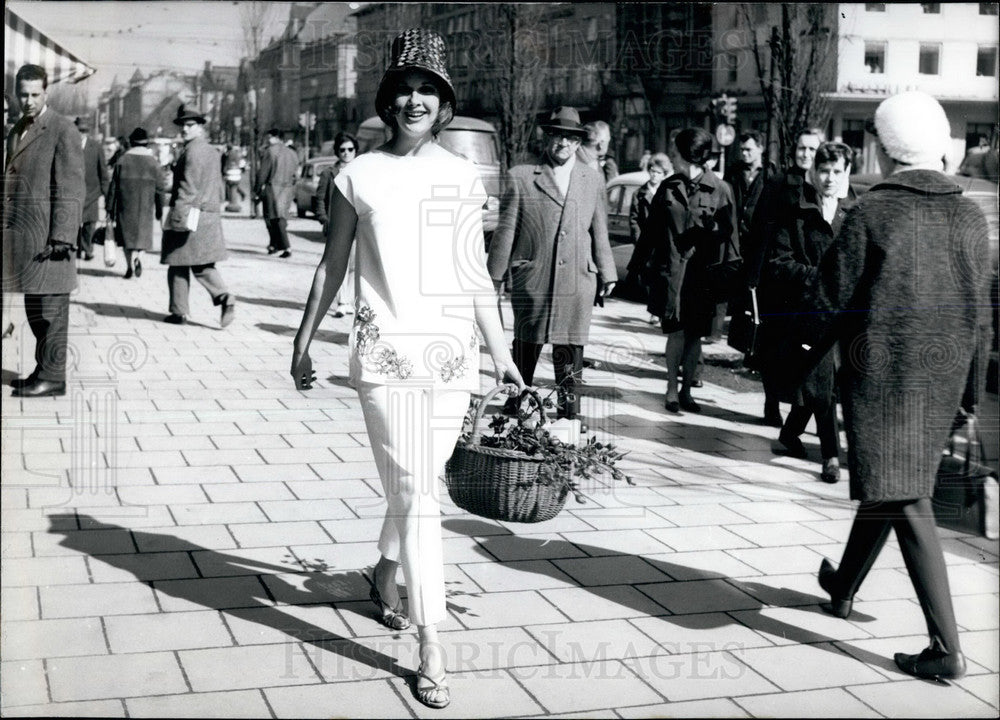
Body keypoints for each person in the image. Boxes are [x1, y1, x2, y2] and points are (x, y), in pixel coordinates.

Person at [291, 28, 524, 709]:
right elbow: (332, 264)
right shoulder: (357, 176)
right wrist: (302, 342)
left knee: (417, 485)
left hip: (452, 360)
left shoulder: (461, 177)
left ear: (444, 103)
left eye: (428, 89)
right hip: (385, 360)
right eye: (404, 89)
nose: (415, 100)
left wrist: (503, 354)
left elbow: (475, 275)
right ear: (387, 101)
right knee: (420, 496)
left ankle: (385, 571)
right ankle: (432, 644)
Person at [805, 91, 991, 681]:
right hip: (943, 379)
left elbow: (827, 301)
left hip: (884, 379)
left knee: (905, 495)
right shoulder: (969, 215)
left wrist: (803, 359)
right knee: (892, 483)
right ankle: (843, 588)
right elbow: (981, 316)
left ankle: (946, 648)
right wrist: (969, 395)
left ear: (885, 152)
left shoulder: (872, 212)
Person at [488, 106, 617, 419]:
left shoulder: (591, 178)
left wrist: (608, 272)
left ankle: (568, 412)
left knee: (570, 346)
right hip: (533, 275)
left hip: (578, 278)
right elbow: (506, 230)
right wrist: (494, 278)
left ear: (579, 142)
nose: (563, 143)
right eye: (557, 136)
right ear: (547, 138)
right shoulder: (522, 176)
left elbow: (599, 229)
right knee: (526, 342)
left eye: (571, 138)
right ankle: (516, 399)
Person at [762, 142, 855, 484]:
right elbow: (778, 262)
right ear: (814, 172)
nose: (830, 178)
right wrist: (819, 278)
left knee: (821, 381)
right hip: (807, 313)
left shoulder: (854, 214)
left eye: (837, 171)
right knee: (823, 382)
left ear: (847, 173)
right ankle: (831, 455)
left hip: (846, 314)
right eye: (824, 170)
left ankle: (789, 434)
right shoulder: (796, 211)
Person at [643, 127, 739, 414]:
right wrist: (640, 267)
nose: (672, 157)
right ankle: (671, 388)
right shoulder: (668, 186)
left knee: (695, 334)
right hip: (672, 271)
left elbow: (731, 237)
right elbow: (650, 231)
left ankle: (687, 390)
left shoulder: (721, 189)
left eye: (675, 152)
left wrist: (714, 233)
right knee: (675, 332)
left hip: (702, 275)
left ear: (687, 156)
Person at [3, 64, 84, 397]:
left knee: (51, 311)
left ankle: (53, 377)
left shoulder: (62, 129)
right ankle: (43, 369)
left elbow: (71, 186)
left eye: (35, 94)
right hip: (25, 238)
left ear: (46, 92)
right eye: (23, 94)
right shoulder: (17, 130)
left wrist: (62, 236)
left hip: (51, 240)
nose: (29, 101)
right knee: (35, 309)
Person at [740, 127, 824, 427]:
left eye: (812, 149)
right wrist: (753, 277)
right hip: (778, 276)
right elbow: (760, 231)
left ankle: (799, 410)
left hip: (811, 277)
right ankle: (772, 403)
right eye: (802, 148)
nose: (806, 154)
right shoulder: (778, 183)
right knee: (773, 346)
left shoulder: (823, 184)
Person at [160, 104, 235, 328]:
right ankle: (223, 296)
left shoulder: (192, 152)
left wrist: (177, 217)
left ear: (200, 126)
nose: (184, 129)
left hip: (190, 214)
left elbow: (188, 187)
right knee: (202, 265)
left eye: (190, 125)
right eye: (182, 125)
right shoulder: (212, 151)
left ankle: (179, 312)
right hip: (208, 215)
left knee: (177, 262)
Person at [107, 127, 165, 280]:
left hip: (125, 207)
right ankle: (139, 257)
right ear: (146, 144)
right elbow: (160, 190)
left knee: (126, 240)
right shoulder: (153, 163)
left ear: (131, 143)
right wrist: (160, 210)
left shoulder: (122, 161)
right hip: (145, 207)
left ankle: (129, 267)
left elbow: (113, 188)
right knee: (142, 238)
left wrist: (109, 208)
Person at [315, 131, 359, 318]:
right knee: (339, 263)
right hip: (337, 225)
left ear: (355, 150)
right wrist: (324, 218)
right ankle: (342, 302)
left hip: (359, 224)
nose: (346, 153)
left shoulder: (362, 171)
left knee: (355, 265)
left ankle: (349, 301)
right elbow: (319, 198)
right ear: (337, 152)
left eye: (350, 149)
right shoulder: (329, 173)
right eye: (342, 150)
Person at [625, 152, 671, 311]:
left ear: (664, 174)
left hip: (662, 242)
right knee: (647, 276)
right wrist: (639, 240)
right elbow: (634, 219)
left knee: (661, 276)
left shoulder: (667, 192)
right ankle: (653, 308)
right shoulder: (639, 193)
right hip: (645, 242)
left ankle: (656, 310)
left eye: (659, 172)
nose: (654, 175)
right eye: (652, 171)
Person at [255, 128, 299, 258]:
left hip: (273, 188)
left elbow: (263, 173)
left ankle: (285, 246)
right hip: (288, 188)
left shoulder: (270, 151)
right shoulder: (292, 153)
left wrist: (257, 189)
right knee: (281, 216)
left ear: (275, 137)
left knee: (272, 218)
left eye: (269, 137)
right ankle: (273, 245)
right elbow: (296, 174)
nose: (268, 140)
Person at [75, 116, 109, 262]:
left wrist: (106, 194)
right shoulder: (68, 145)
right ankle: (77, 248)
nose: (81, 133)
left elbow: (103, 172)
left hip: (92, 192)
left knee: (90, 223)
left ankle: (88, 249)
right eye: (79, 130)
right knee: (75, 222)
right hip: (74, 192)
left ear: (87, 132)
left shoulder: (96, 147)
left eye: (84, 131)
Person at [222, 143, 245, 212]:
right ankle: (235, 200)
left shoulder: (228, 155)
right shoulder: (238, 154)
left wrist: (224, 173)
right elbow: (242, 164)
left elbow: (225, 164)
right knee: (234, 187)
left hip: (230, 173)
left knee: (230, 187)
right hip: (237, 173)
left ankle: (232, 204)